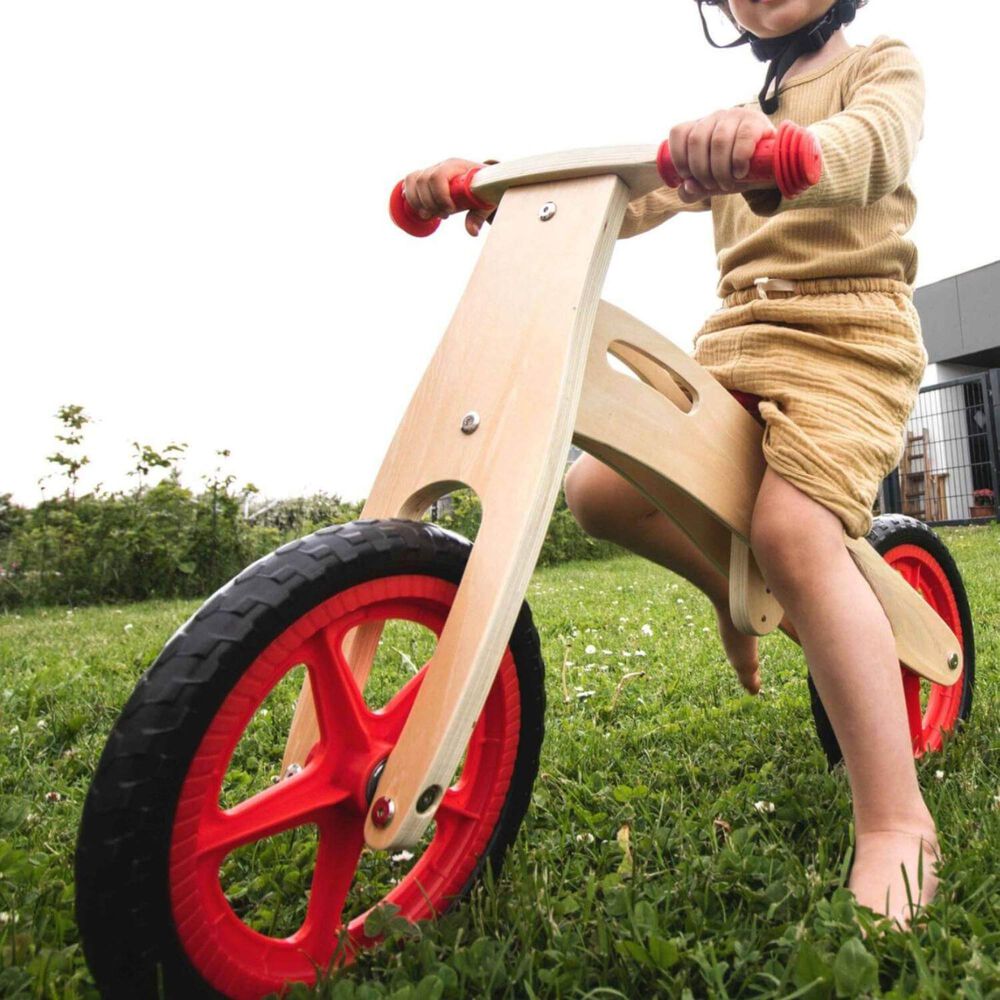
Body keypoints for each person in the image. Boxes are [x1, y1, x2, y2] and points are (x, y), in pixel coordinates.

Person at [400, 0, 936, 929]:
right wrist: (502, 188)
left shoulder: (880, 65)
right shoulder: (730, 118)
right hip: (739, 340)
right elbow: (639, 190)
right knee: (599, 490)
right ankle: (747, 594)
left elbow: (873, 147)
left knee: (792, 528)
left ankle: (895, 818)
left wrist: (789, 153)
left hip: (850, 336)